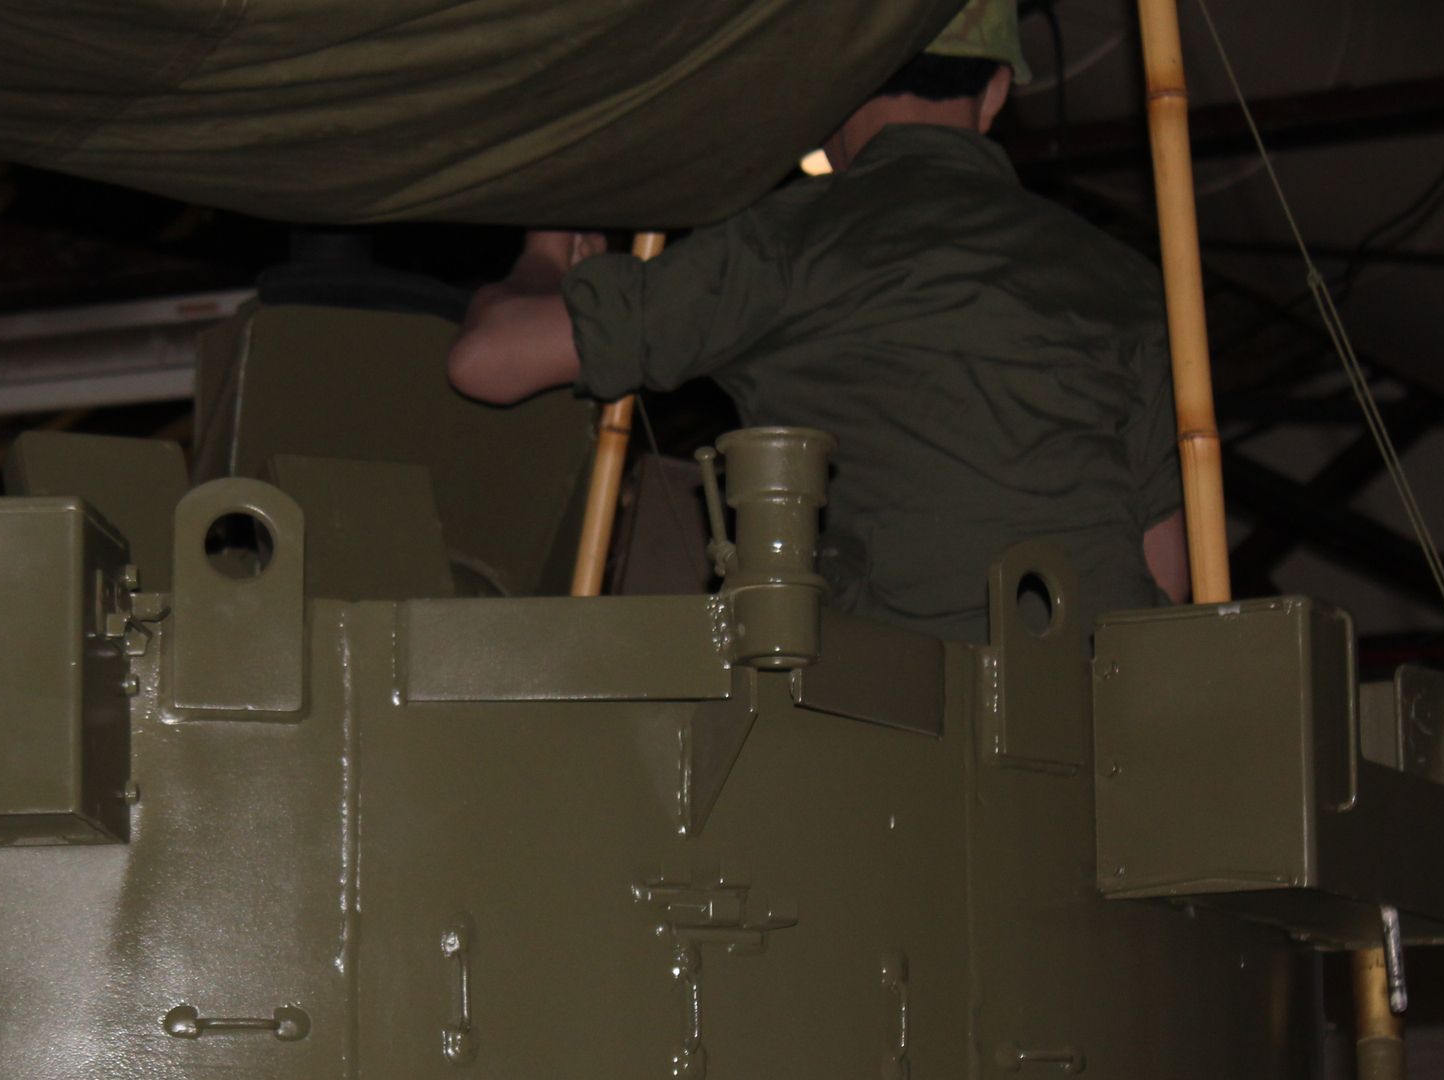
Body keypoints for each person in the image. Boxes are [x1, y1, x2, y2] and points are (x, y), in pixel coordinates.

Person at [446, 0, 1189, 640]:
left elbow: (486, 360)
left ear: (829, 88)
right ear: (995, 92)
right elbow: (1168, 570)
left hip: (892, 715)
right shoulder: (1125, 279)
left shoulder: (791, 241)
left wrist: (546, 256)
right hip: (1101, 713)